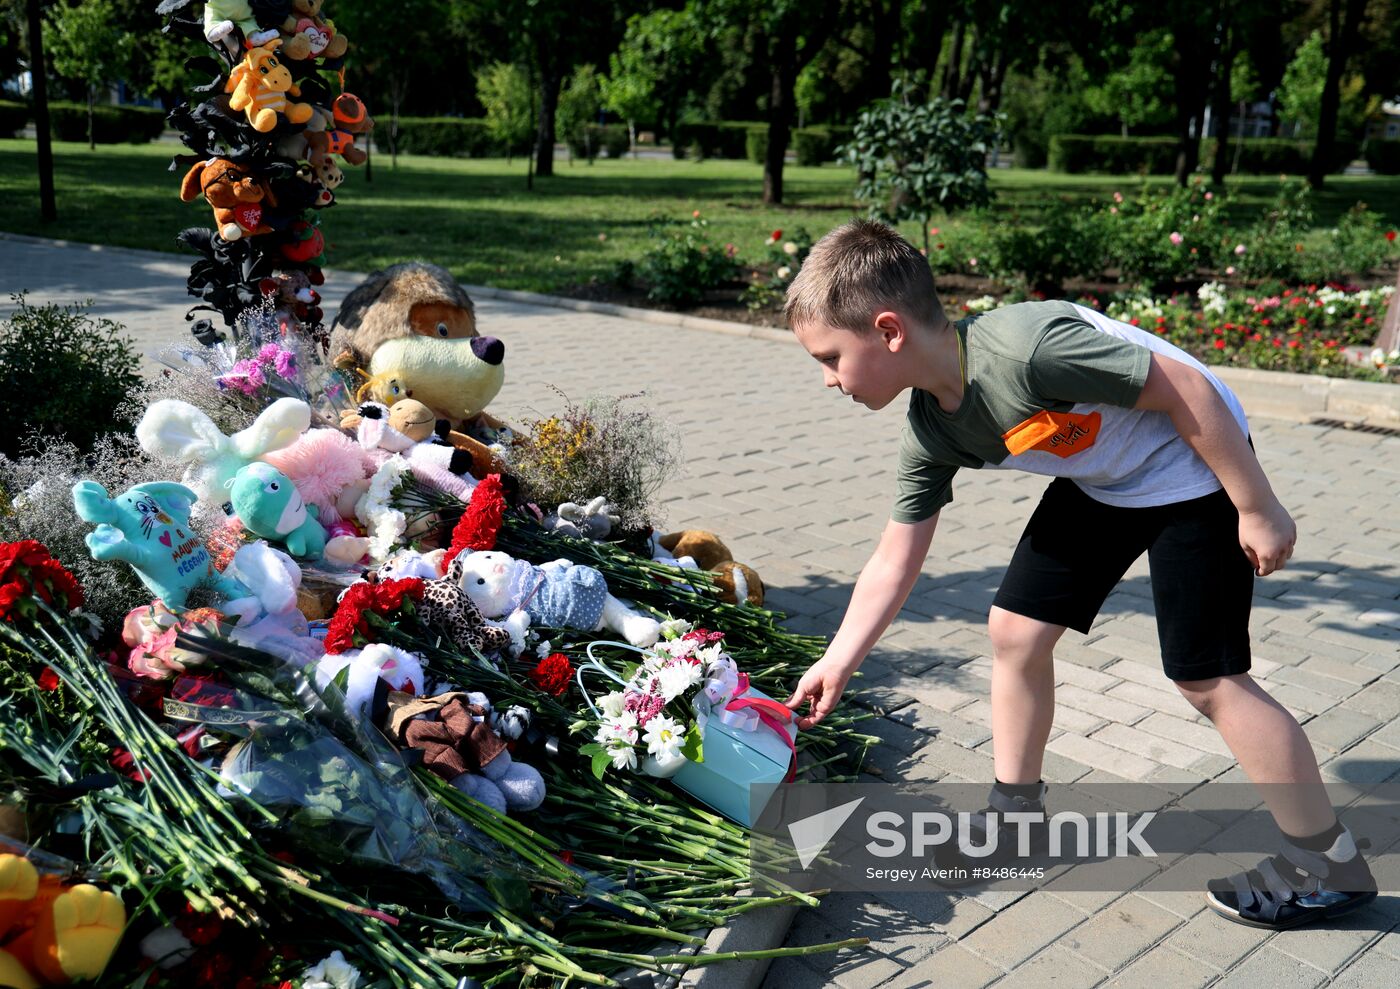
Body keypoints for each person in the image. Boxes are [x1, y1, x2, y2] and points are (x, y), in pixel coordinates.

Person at [780, 218, 1376, 929]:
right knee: (1014, 631)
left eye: (830, 356)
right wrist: (839, 659)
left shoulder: (1028, 351)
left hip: (1196, 462)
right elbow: (896, 554)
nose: (827, 379)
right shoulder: (933, 426)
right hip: (1107, 477)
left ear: (888, 330)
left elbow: (1190, 391)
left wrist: (1257, 505)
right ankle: (1015, 821)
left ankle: (1329, 861)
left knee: (1206, 676)